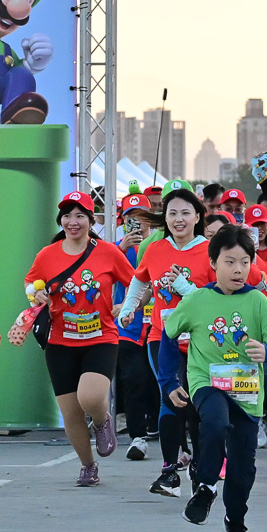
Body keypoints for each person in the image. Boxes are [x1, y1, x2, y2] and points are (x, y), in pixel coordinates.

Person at [156, 224, 267, 532]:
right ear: (213, 263)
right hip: (207, 382)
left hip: (246, 391)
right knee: (215, 422)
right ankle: (205, 487)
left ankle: (235, 522)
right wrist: (169, 382)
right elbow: (168, 335)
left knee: (243, 470)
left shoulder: (259, 302)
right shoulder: (196, 300)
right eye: (230, 262)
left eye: (245, 262)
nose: (238, 270)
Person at [18, 191, 135, 487]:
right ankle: (88, 466)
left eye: (80, 215)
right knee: (70, 413)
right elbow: (30, 283)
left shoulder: (108, 252)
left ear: (91, 221)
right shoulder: (47, 254)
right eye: (67, 216)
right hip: (60, 342)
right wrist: (36, 293)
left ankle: (102, 420)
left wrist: (126, 305)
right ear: (61, 220)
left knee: (90, 397)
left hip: (101, 338)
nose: (73, 221)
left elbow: (136, 281)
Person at [119, 185, 212, 497]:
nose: (178, 219)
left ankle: (200, 468)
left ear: (198, 216)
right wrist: (129, 308)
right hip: (163, 336)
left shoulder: (210, 251)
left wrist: (184, 287)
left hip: (200, 339)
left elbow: (215, 300)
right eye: (172, 213)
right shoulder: (155, 249)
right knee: (169, 397)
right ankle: (170, 472)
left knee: (196, 402)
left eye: (186, 212)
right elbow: (139, 279)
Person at [111, 194, 160, 463]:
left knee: (159, 379)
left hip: (157, 324)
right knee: (133, 378)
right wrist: (121, 249)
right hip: (127, 326)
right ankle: (137, 436)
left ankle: (160, 424)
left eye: (142, 216)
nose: (137, 223)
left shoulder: (160, 245)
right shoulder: (115, 248)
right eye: (131, 217)